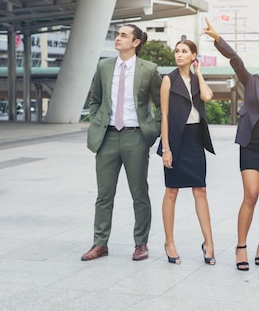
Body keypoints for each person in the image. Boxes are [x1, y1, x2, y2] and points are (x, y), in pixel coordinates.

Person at [203, 18, 259, 271]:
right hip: (250, 146)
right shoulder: (251, 81)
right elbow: (235, 60)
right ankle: (240, 247)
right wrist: (217, 37)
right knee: (251, 195)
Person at [81, 24, 162, 262]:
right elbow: (95, 99)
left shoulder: (149, 69)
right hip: (107, 137)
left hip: (135, 136)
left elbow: (160, 103)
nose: (118, 38)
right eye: (117, 34)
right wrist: (97, 120)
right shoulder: (104, 67)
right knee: (104, 194)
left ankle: (141, 243)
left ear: (136, 42)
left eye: (123, 35)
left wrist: (153, 129)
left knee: (139, 193)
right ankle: (100, 243)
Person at [158, 40, 216, 265]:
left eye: (184, 51)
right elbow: (164, 116)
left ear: (194, 56)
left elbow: (207, 97)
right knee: (171, 192)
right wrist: (166, 148)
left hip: (195, 139)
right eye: (177, 51)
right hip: (175, 139)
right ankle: (169, 242)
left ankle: (208, 243)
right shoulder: (168, 80)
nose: (179, 55)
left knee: (200, 190)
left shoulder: (195, 79)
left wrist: (199, 73)